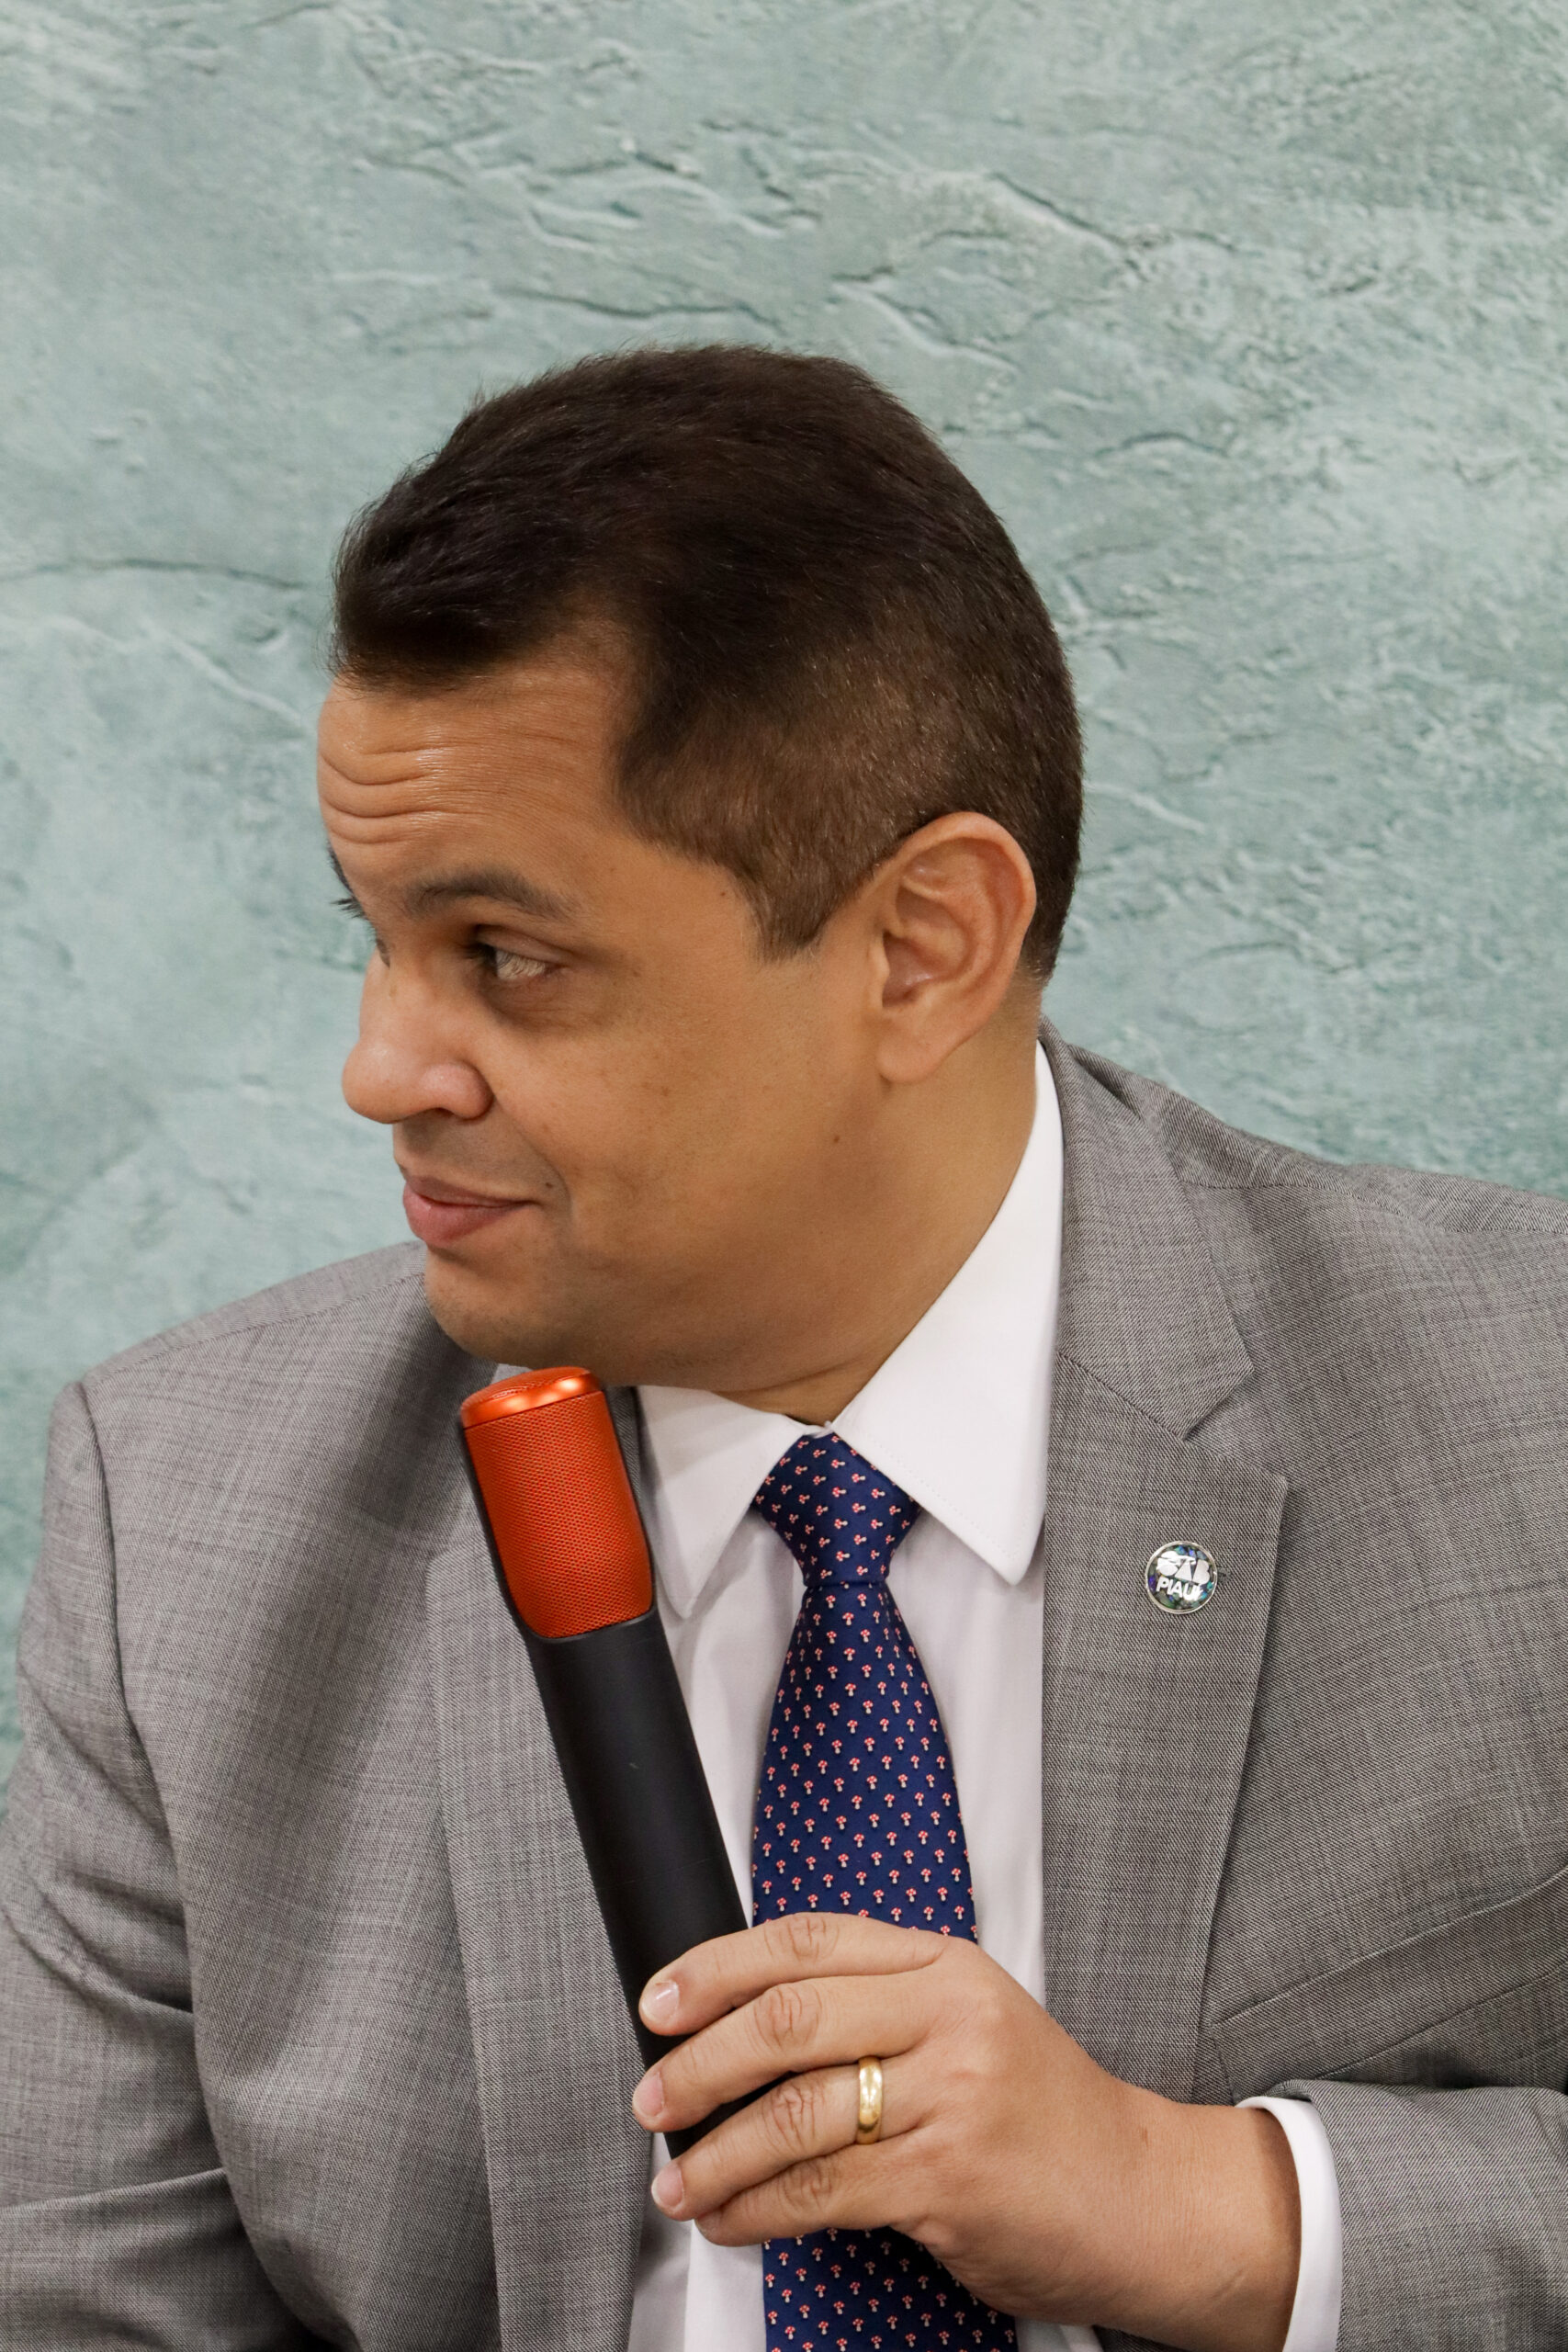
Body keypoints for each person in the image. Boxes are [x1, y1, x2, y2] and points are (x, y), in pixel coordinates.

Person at [1, 347, 1564, 2352]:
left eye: (505, 957)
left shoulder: (1521, 1403)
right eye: (375, 938)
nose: (382, 1067)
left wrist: (1216, 2203)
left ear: (923, 946)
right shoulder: (179, 1522)